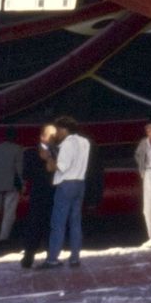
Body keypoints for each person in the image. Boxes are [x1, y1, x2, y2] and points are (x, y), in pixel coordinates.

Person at [43, 115, 90, 268]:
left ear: (64, 129)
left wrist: (49, 153)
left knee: (58, 223)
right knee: (75, 222)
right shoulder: (85, 142)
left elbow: (56, 167)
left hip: (66, 184)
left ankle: (52, 258)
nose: (56, 134)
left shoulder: (67, 144)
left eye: (57, 130)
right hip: (80, 183)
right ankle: (75, 257)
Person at [17, 124, 58, 269]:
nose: (53, 138)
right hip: (38, 194)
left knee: (52, 227)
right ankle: (28, 256)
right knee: (35, 225)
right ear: (42, 137)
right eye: (50, 135)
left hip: (54, 194)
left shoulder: (58, 152)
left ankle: (51, 256)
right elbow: (26, 173)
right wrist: (43, 160)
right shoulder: (31, 154)